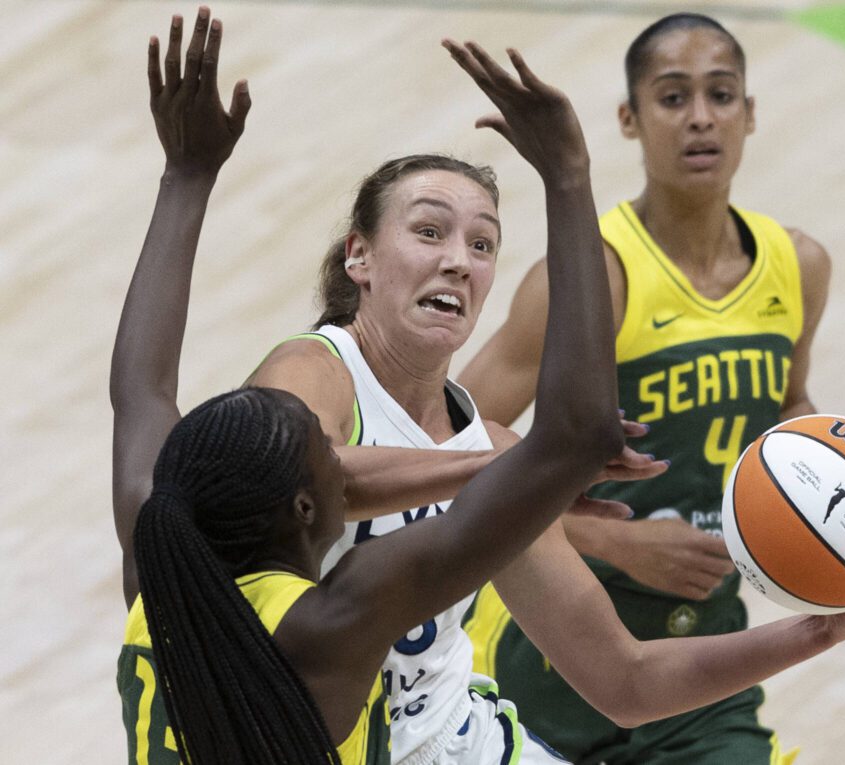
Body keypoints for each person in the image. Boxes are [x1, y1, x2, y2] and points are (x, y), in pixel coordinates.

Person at [246, 14, 845, 765]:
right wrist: (560, 495)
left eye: (481, 244)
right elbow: (319, 474)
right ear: (360, 256)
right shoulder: (324, 369)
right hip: (488, 680)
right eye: (429, 232)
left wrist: (826, 581)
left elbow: (628, 676)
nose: (457, 262)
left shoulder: (795, 266)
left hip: (668, 635)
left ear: (751, 111)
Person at [111, 8, 629, 763]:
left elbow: (142, 390)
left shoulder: (152, 559)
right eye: (333, 460)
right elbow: (579, 432)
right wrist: (569, 175)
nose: (352, 463)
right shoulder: (332, 625)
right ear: (309, 508)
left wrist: (187, 175)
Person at [457, 12, 845, 764]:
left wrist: (844, 494)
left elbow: (789, 403)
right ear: (630, 120)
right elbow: (446, 440)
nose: (700, 117)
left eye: (721, 94)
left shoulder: (797, 266)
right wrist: (616, 539)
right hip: (556, 641)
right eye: (673, 98)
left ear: (750, 113)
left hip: (707, 651)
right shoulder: (591, 277)